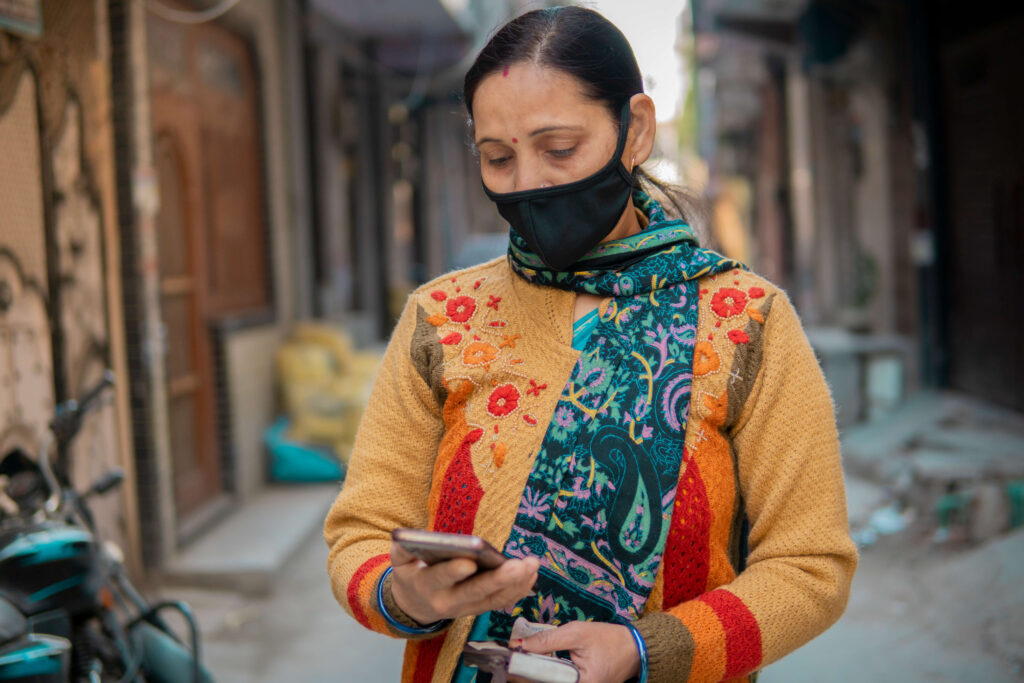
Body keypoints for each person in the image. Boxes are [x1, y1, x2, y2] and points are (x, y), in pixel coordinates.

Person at [324, 6, 857, 682]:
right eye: (498, 158)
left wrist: (645, 649)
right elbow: (360, 532)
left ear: (634, 130)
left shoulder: (743, 320)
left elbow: (813, 567)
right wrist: (402, 595)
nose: (528, 183)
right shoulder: (443, 318)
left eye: (559, 149)